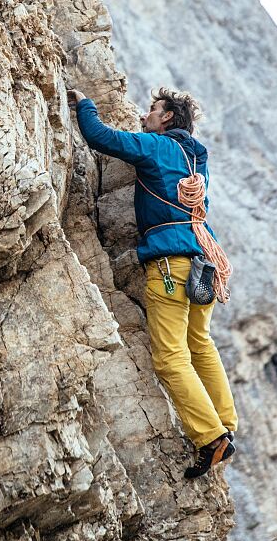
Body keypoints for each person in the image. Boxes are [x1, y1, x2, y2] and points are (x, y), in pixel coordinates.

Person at [67, 86, 237, 479]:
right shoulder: (197, 158)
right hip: (203, 261)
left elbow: (102, 138)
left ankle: (211, 438)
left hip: (169, 266)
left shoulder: (158, 147)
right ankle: (225, 423)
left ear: (167, 119)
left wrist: (85, 104)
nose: (145, 116)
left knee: (170, 357)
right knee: (201, 345)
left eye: (152, 110)